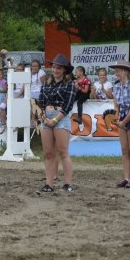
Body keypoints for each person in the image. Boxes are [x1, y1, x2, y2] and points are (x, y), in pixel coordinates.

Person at [37, 54, 77, 194]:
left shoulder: (70, 84)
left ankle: (68, 183)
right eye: (54, 67)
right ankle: (49, 183)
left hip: (61, 117)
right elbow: (41, 102)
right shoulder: (46, 83)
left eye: (58, 68)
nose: (55, 70)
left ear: (64, 70)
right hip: (46, 118)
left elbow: (68, 105)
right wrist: (43, 116)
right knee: (48, 153)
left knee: (63, 152)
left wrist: (55, 119)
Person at [110, 60, 130, 188]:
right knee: (124, 150)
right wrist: (116, 117)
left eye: (118, 70)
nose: (116, 73)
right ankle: (126, 178)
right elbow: (116, 106)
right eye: (115, 71)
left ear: (125, 71)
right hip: (123, 117)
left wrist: (124, 122)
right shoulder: (116, 86)